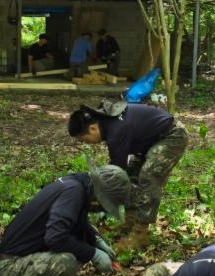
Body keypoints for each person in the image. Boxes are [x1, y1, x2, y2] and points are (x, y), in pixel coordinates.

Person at [0, 158, 130, 276]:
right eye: (104, 205)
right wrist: (93, 254)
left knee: (76, 244)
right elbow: (55, 238)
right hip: (9, 269)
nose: (101, 209)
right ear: (100, 195)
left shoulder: (77, 185)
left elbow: (75, 223)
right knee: (66, 262)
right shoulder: (74, 192)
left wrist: (96, 240)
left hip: (23, 261)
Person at [68, 100, 188, 249]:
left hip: (172, 135)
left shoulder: (115, 132)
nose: (87, 143)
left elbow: (116, 175)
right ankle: (130, 221)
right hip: (150, 140)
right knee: (131, 173)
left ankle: (140, 233)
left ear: (92, 128)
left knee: (148, 176)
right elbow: (121, 172)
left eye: (84, 139)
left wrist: (101, 201)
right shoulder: (106, 121)